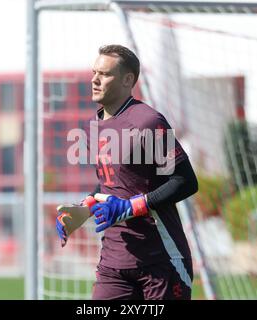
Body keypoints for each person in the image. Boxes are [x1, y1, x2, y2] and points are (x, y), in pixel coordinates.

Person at [56, 44, 198, 300]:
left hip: (161, 261)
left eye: (104, 74)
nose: (94, 80)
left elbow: (185, 181)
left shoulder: (148, 122)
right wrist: (84, 208)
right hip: (113, 262)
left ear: (127, 80)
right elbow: (114, 183)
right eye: (93, 72)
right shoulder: (94, 125)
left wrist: (132, 207)